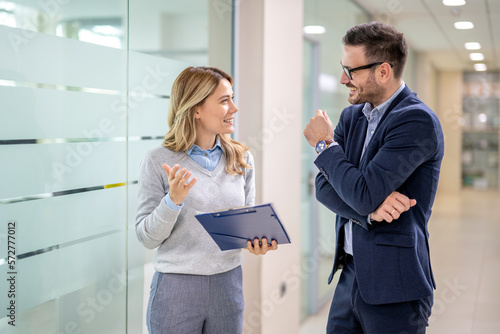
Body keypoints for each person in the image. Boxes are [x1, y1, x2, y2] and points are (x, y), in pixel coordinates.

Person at [303, 22, 444, 334]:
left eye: (350, 70)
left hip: (396, 284)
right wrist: (369, 211)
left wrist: (325, 145)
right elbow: (324, 188)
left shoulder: (416, 121)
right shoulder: (352, 117)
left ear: (383, 71)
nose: (343, 79)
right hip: (350, 273)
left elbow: (362, 193)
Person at [135, 66, 278, 334]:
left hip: (228, 284)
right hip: (176, 289)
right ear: (196, 108)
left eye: (232, 99)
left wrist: (255, 242)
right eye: (225, 101)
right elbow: (146, 238)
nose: (234, 108)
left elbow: (245, 225)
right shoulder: (157, 160)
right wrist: (172, 201)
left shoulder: (242, 159)